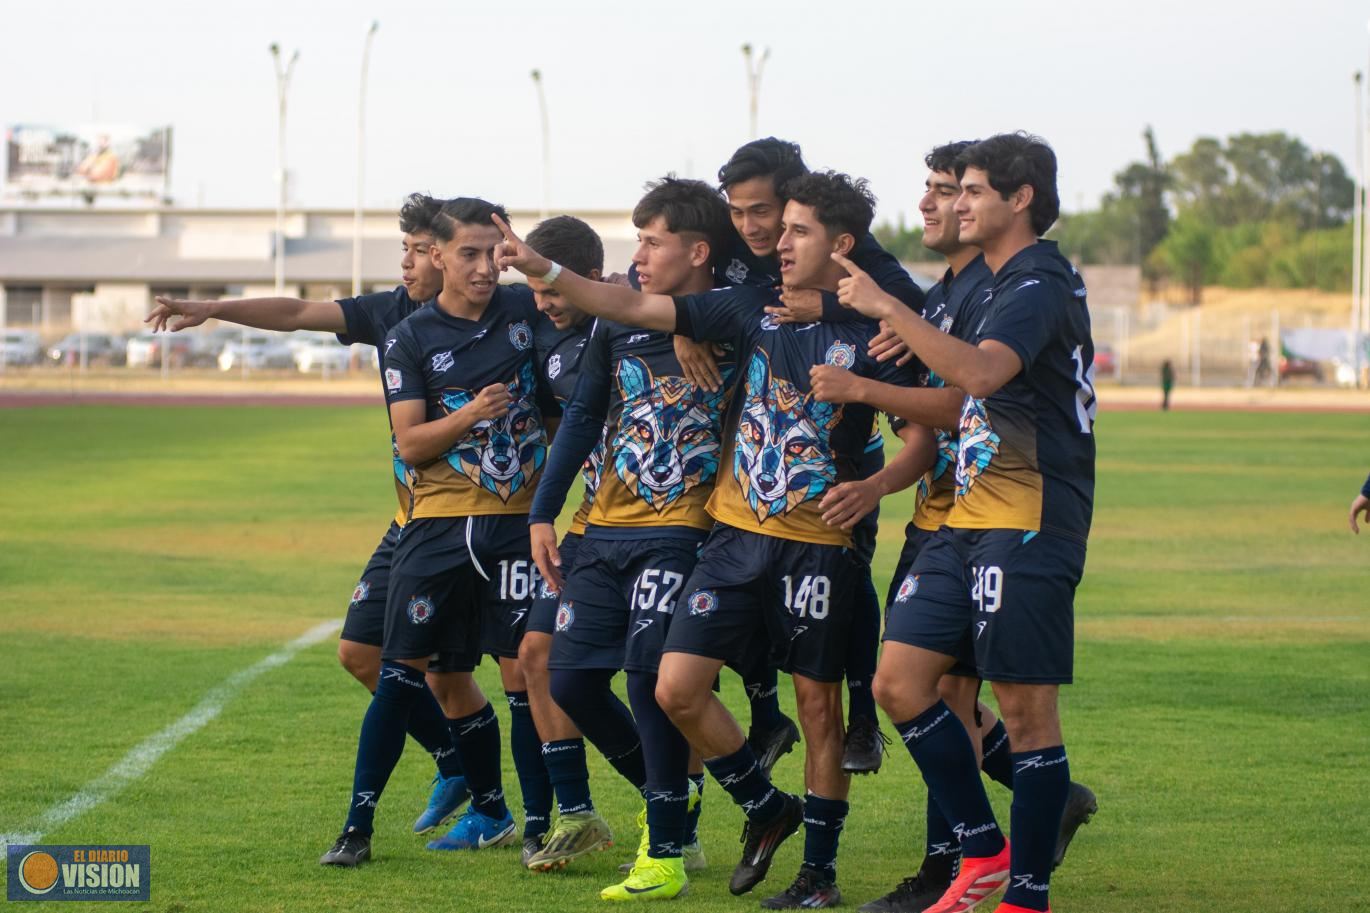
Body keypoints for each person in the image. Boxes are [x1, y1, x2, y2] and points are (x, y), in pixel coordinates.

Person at [494, 170, 929, 909]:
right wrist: (542, 268)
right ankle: (759, 805)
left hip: (812, 540)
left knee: (815, 708)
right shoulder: (747, 307)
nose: (774, 244)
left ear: (842, 244)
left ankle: (814, 872)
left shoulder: (880, 330)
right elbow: (628, 303)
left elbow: (927, 426)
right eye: (776, 228)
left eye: (794, 231)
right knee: (672, 684)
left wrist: (875, 484)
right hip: (729, 537)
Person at [812, 143, 1094, 912]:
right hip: (965, 513)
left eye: (972, 191)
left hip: (1031, 515)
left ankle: (1023, 898)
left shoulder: (1039, 280)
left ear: (1022, 197)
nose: (958, 203)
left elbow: (979, 376)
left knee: (1026, 709)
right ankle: (984, 850)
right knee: (899, 681)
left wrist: (890, 312)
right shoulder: (983, 285)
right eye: (954, 190)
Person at [145, 194, 472, 836]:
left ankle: (537, 809)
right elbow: (297, 312)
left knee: (474, 671)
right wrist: (212, 308)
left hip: (483, 519)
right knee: (359, 652)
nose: (404, 263)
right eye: (401, 249)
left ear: (444, 254)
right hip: (413, 518)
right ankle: (456, 763)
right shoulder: (392, 312)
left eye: (415, 250)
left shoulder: (501, 315)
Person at [318, 197, 553, 866]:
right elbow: (412, 442)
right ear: (439, 255)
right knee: (396, 673)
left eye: (493, 253)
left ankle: (532, 825)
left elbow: (611, 302)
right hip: (433, 528)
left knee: (520, 676)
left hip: (513, 528)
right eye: (470, 254)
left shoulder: (526, 310)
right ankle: (357, 827)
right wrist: (475, 412)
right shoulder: (409, 334)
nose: (485, 267)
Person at [529, 176, 738, 900]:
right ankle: (672, 803)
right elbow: (584, 416)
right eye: (637, 241)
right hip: (604, 526)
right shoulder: (614, 325)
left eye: (651, 242)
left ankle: (667, 844)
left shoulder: (738, 316)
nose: (637, 255)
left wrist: (688, 324)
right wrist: (541, 515)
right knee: (573, 680)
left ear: (700, 250)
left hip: (683, 528)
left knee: (651, 677)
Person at [709, 136, 926, 775]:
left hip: (841, 446)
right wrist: (688, 335)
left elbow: (910, 307)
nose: (752, 227)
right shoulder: (732, 242)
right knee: (732, 574)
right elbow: (683, 289)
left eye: (764, 212)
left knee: (846, 573)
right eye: (737, 211)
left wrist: (826, 305)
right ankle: (762, 712)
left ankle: (861, 717)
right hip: (751, 443)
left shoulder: (855, 247)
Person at [516, 215, 622, 868]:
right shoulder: (549, 342)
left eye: (551, 289)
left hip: (660, 526)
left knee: (662, 680)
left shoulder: (637, 322)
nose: (544, 303)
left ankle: (681, 816)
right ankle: (578, 811)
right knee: (535, 652)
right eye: (533, 291)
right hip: (588, 524)